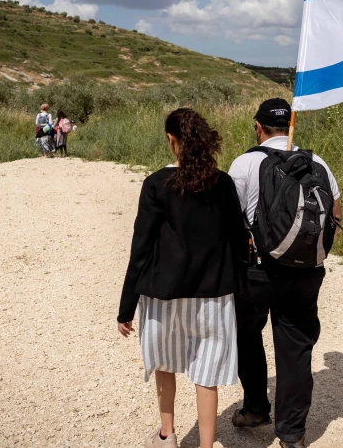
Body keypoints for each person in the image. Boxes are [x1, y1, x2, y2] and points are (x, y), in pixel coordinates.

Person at [117, 108, 249, 448]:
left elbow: (141, 248)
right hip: (214, 296)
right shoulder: (223, 183)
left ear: (171, 140)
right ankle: (206, 446)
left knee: (164, 362)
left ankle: (167, 434)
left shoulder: (156, 184)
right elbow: (238, 241)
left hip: (164, 294)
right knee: (207, 376)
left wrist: (126, 307)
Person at [228, 98, 341, 448]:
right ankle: (292, 434)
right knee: (295, 346)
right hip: (307, 271)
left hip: (257, 271)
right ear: (290, 127)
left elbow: (230, 220)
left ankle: (257, 408)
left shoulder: (245, 163)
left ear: (258, 128)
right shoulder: (316, 162)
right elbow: (335, 213)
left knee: (247, 334)